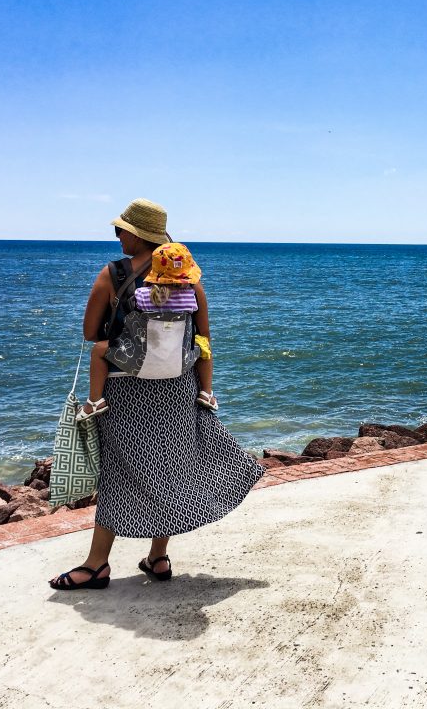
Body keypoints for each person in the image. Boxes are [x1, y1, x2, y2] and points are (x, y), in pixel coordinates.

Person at [49, 198, 264, 591]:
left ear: (137, 234)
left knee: (119, 472)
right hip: (179, 391)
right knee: (168, 469)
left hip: (126, 392)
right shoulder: (187, 278)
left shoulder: (114, 274)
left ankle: (97, 565)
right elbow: (203, 339)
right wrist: (205, 389)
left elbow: (89, 333)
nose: (116, 236)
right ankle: (158, 556)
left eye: (121, 230)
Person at [76, 241, 218, 422]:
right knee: (203, 345)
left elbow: (125, 313)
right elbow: (203, 331)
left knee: (98, 350)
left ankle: (94, 401)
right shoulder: (191, 297)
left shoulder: (142, 295)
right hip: (179, 363)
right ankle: (207, 392)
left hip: (138, 360)